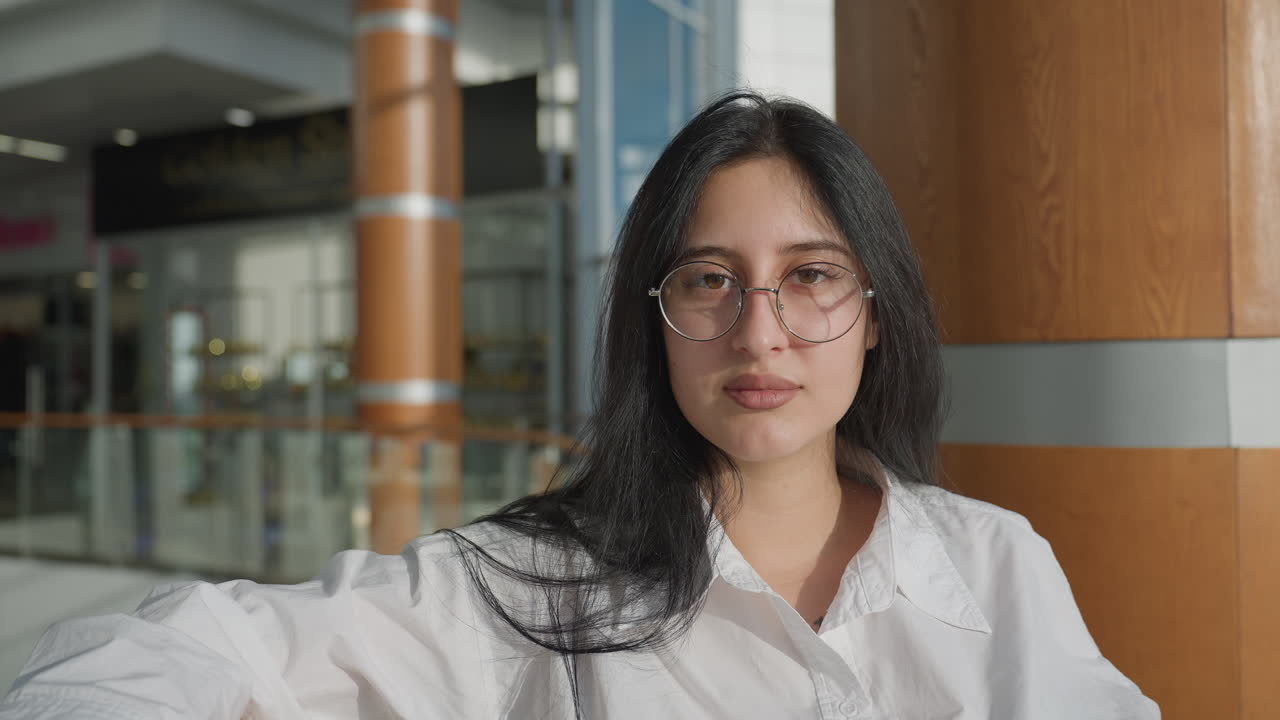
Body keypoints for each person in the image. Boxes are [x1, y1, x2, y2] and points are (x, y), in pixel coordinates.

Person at [0, 92, 1160, 719]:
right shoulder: (538, 583)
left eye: (809, 277)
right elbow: (174, 651)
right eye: (708, 280)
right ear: (651, 319)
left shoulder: (994, 566)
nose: (758, 331)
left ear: (874, 312)